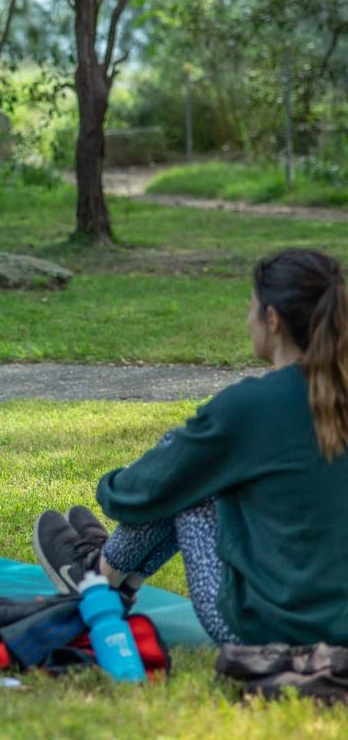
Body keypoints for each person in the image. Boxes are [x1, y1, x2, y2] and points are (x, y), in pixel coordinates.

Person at [33, 248, 348, 646]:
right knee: (208, 470)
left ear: (272, 319)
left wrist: (109, 485)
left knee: (194, 479)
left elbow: (139, 493)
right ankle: (116, 578)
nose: (247, 320)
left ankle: (97, 574)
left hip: (263, 633)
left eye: (250, 308)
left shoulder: (250, 408)